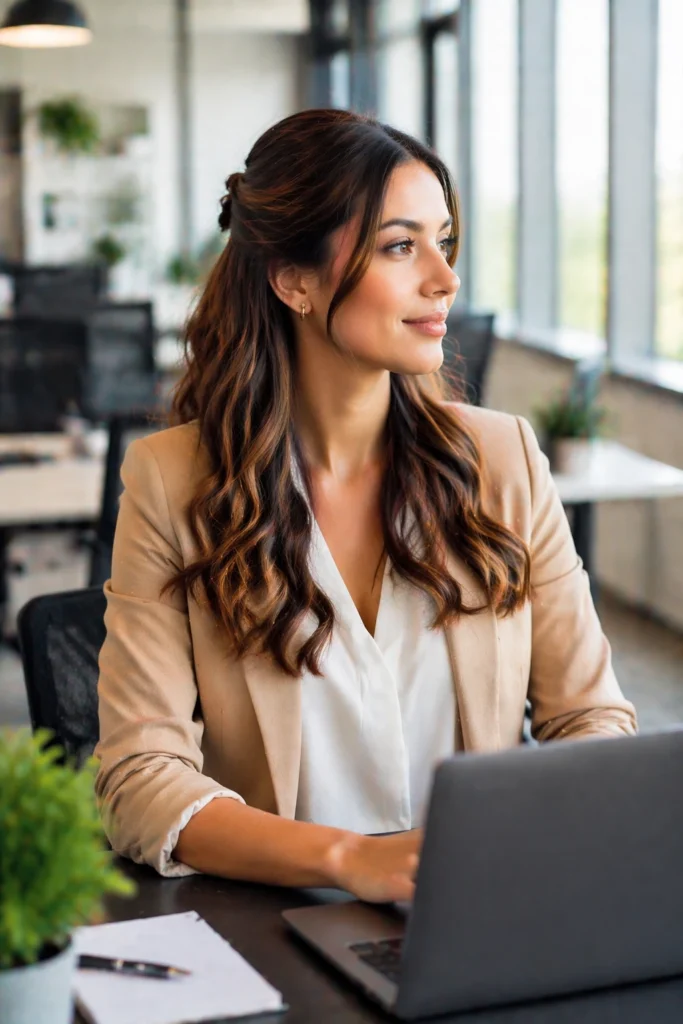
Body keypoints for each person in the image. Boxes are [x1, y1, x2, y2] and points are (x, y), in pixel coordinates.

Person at [94, 108, 637, 904]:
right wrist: (347, 860)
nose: (444, 279)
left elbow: (592, 719)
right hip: (279, 922)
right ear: (294, 280)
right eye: (399, 245)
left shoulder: (503, 459)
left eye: (443, 242)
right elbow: (138, 777)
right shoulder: (173, 482)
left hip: (483, 906)